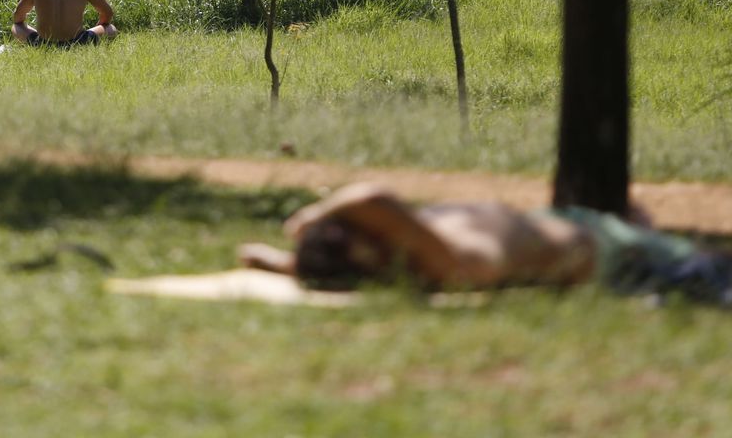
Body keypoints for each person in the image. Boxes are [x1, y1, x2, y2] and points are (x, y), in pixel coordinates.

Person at [237, 182, 732, 305]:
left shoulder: (408, 249)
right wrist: (312, 215)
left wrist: (282, 263)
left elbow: (358, 247)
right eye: (366, 233)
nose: (374, 229)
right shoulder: (452, 263)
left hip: (583, 228)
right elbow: (373, 198)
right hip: (625, 257)